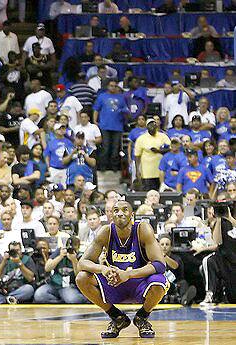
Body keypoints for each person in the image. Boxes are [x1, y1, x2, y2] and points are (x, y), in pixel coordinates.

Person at [76, 201, 168, 338]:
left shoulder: (143, 229)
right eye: (116, 210)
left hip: (139, 282)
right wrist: (103, 269)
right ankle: (117, 317)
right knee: (82, 278)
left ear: (132, 215)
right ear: (111, 215)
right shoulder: (105, 232)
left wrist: (129, 274)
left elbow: (160, 265)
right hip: (114, 283)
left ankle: (142, 317)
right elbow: (82, 263)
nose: (120, 213)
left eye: (125, 209)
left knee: (159, 282)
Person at [93, 80, 129, 172]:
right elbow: (96, 109)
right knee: (105, 147)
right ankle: (103, 166)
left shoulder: (121, 98)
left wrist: (124, 115)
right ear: (108, 86)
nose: (113, 87)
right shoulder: (102, 96)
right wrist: (95, 120)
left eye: (115, 86)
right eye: (111, 85)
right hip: (105, 125)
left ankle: (114, 167)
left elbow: (126, 111)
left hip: (117, 126)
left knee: (116, 147)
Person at [134, 118, 171, 191]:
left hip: (161, 171)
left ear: (156, 126)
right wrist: (137, 170)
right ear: (147, 127)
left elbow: (171, 149)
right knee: (148, 191)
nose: (152, 127)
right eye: (150, 126)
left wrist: (159, 151)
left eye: (154, 125)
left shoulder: (163, 136)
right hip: (147, 171)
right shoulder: (141, 138)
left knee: (161, 191)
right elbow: (137, 156)